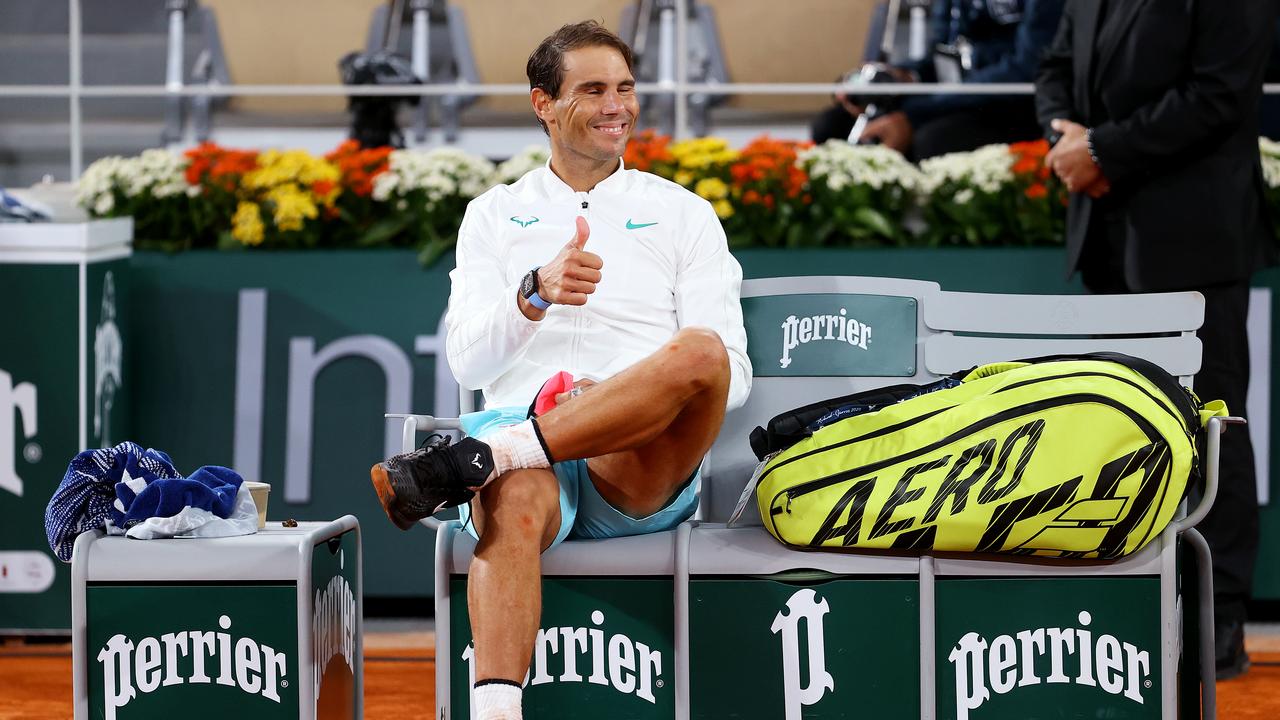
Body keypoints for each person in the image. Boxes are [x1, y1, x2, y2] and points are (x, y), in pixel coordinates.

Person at [369, 20, 750, 720]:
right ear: (543, 104)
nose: (617, 107)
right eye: (594, 90)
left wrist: (619, 393)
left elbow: (733, 372)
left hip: (633, 457)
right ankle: (496, 712)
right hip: (524, 446)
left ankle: (485, 457)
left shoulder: (685, 214)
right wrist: (533, 295)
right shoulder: (493, 215)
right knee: (512, 501)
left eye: (626, 89)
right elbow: (468, 361)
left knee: (700, 351)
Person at [1036, 0, 1279, 680]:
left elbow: (1220, 93)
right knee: (1118, 425)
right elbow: (1055, 64)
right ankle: (1130, 599)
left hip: (1195, 235)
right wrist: (1068, 138)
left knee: (1214, 425)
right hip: (1107, 236)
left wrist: (1106, 151)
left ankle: (1218, 617)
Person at [812, 0, 1064, 159]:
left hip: (1018, 103)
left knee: (931, 141)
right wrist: (902, 77)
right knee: (832, 126)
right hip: (960, 96)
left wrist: (915, 114)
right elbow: (943, 53)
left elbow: (1028, 68)